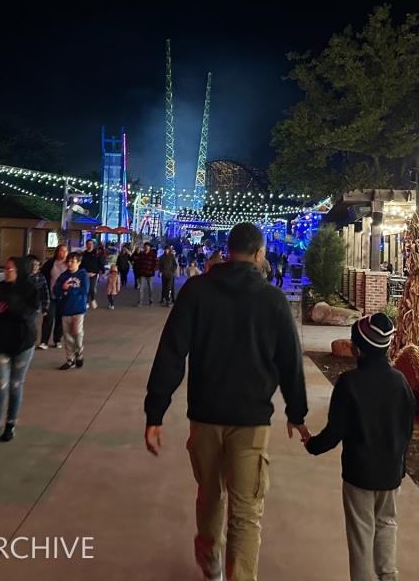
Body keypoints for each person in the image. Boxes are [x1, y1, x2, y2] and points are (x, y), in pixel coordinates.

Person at [144, 222, 309, 581]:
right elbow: (290, 362)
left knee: (210, 492)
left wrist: (155, 412)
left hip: (204, 415)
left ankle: (211, 561)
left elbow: (171, 352)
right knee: (247, 510)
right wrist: (296, 412)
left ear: (226, 251)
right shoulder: (273, 300)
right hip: (251, 422)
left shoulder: (196, 292)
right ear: (260, 254)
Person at [305, 313, 414, 581]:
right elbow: (407, 428)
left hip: (359, 474)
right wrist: (400, 463)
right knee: (387, 523)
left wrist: (312, 444)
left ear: (358, 348)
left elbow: (335, 431)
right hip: (391, 472)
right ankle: (388, 575)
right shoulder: (401, 383)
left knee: (361, 535)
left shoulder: (349, 384)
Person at [0, 257, 39, 445]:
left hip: (23, 343)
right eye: (5, 269)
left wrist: (10, 303)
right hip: (1, 343)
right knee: (1, 384)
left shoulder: (30, 290)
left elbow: (29, 314)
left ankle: (10, 424)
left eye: (10, 269)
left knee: (15, 384)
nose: (6, 272)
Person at [53, 251, 90, 369]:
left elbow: (84, 289)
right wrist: (63, 292)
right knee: (67, 335)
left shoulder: (83, 274)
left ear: (78, 263)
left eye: (72, 261)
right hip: (65, 309)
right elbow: (56, 289)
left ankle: (79, 352)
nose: (69, 263)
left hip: (78, 309)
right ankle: (70, 359)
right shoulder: (64, 275)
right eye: (68, 261)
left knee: (77, 333)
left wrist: (69, 289)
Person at [39, 245, 68, 349]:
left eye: (65, 251)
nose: (63, 253)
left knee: (60, 319)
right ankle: (44, 341)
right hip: (51, 295)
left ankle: (57, 340)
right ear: (57, 252)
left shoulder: (68, 265)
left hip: (63, 296)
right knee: (48, 318)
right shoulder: (50, 264)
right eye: (61, 251)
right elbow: (42, 276)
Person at [27, 254, 50, 341]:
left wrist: (45, 307)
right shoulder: (22, 276)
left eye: (38, 264)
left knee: (30, 323)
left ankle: (30, 340)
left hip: (33, 306)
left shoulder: (40, 276)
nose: (36, 267)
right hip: (21, 305)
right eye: (34, 264)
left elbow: (45, 292)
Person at [80, 239, 104, 310]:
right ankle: (86, 301)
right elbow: (81, 264)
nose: (90, 245)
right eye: (88, 244)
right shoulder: (83, 254)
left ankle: (93, 299)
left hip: (94, 273)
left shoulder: (96, 254)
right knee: (86, 287)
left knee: (92, 287)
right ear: (86, 245)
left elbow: (100, 262)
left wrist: (102, 270)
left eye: (91, 244)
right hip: (85, 273)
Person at [133, 241, 158, 306]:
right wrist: (139, 270)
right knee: (141, 288)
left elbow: (156, 264)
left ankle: (151, 300)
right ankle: (140, 301)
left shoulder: (153, 255)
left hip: (150, 274)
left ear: (149, 247)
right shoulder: (142, 254)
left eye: (147, 246)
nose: (146, 248)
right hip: (143, 273)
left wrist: (152, 270)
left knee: (150, 288)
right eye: (145, 246)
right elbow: (139, 263)